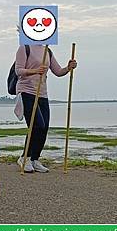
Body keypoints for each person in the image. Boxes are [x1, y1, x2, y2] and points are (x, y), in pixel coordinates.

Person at [14, 45, 77, 173]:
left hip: (42, 93)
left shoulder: (47, 50)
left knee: (44, 128)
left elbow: (58, 71)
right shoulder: (24, 48)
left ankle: (35, 159)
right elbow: (18, 71)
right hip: (26, 92)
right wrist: (35, 71)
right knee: (37, 125)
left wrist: (68, 68)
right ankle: (24, 158)